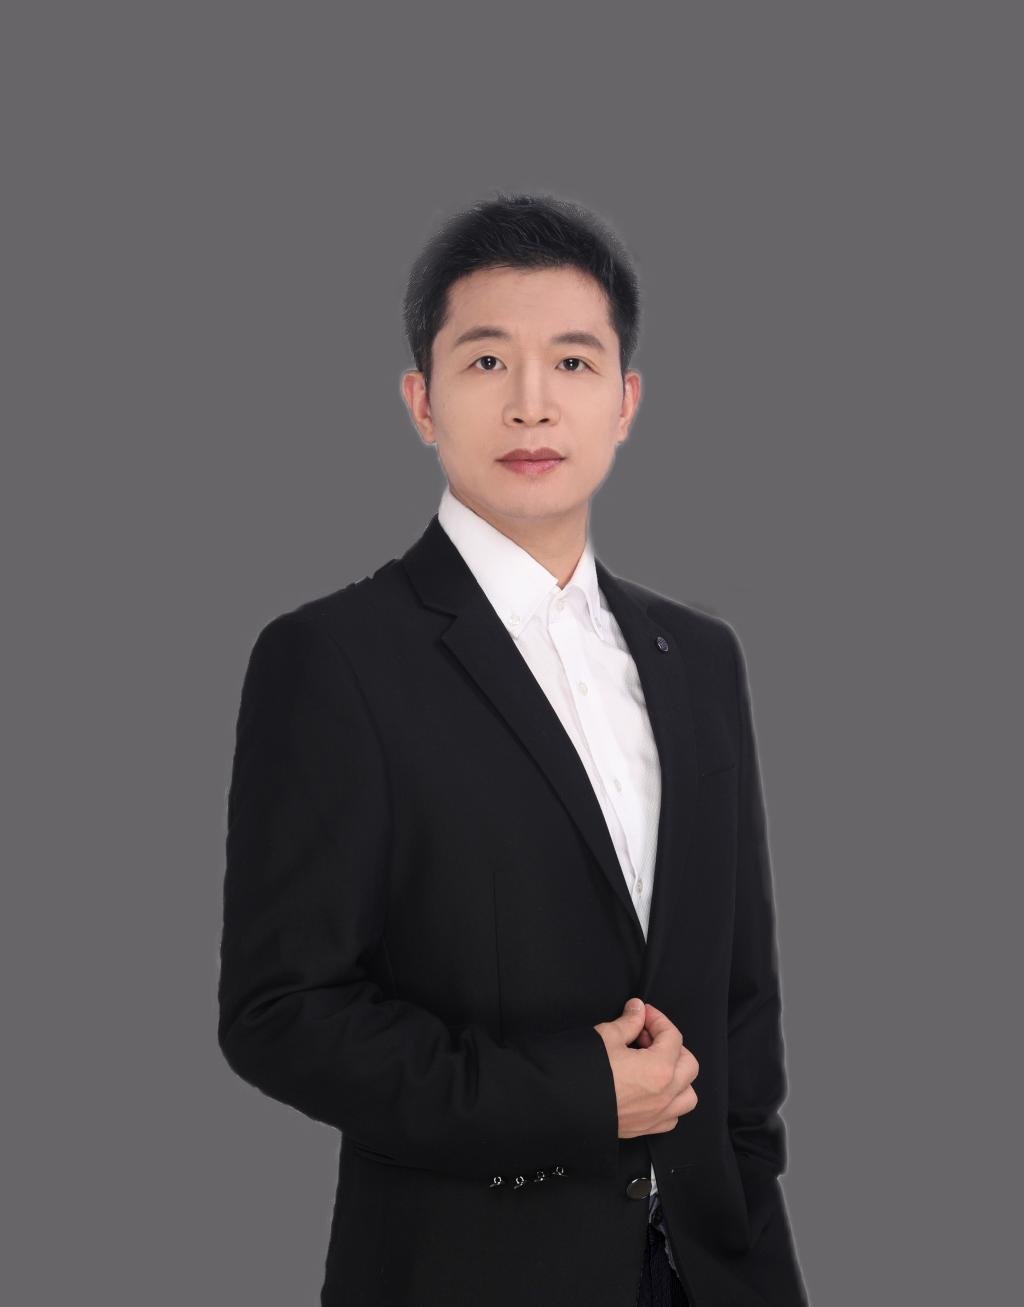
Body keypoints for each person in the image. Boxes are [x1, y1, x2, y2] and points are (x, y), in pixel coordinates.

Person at [217, 192, 809, 1306]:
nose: (533, 402)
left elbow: (742, 1007)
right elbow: (281, 1013)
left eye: (574, 363)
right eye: (487, 361)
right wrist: (572, 1091)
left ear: (626, 401)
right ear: (422, 400)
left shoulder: (700, 657)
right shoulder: (332, 657)